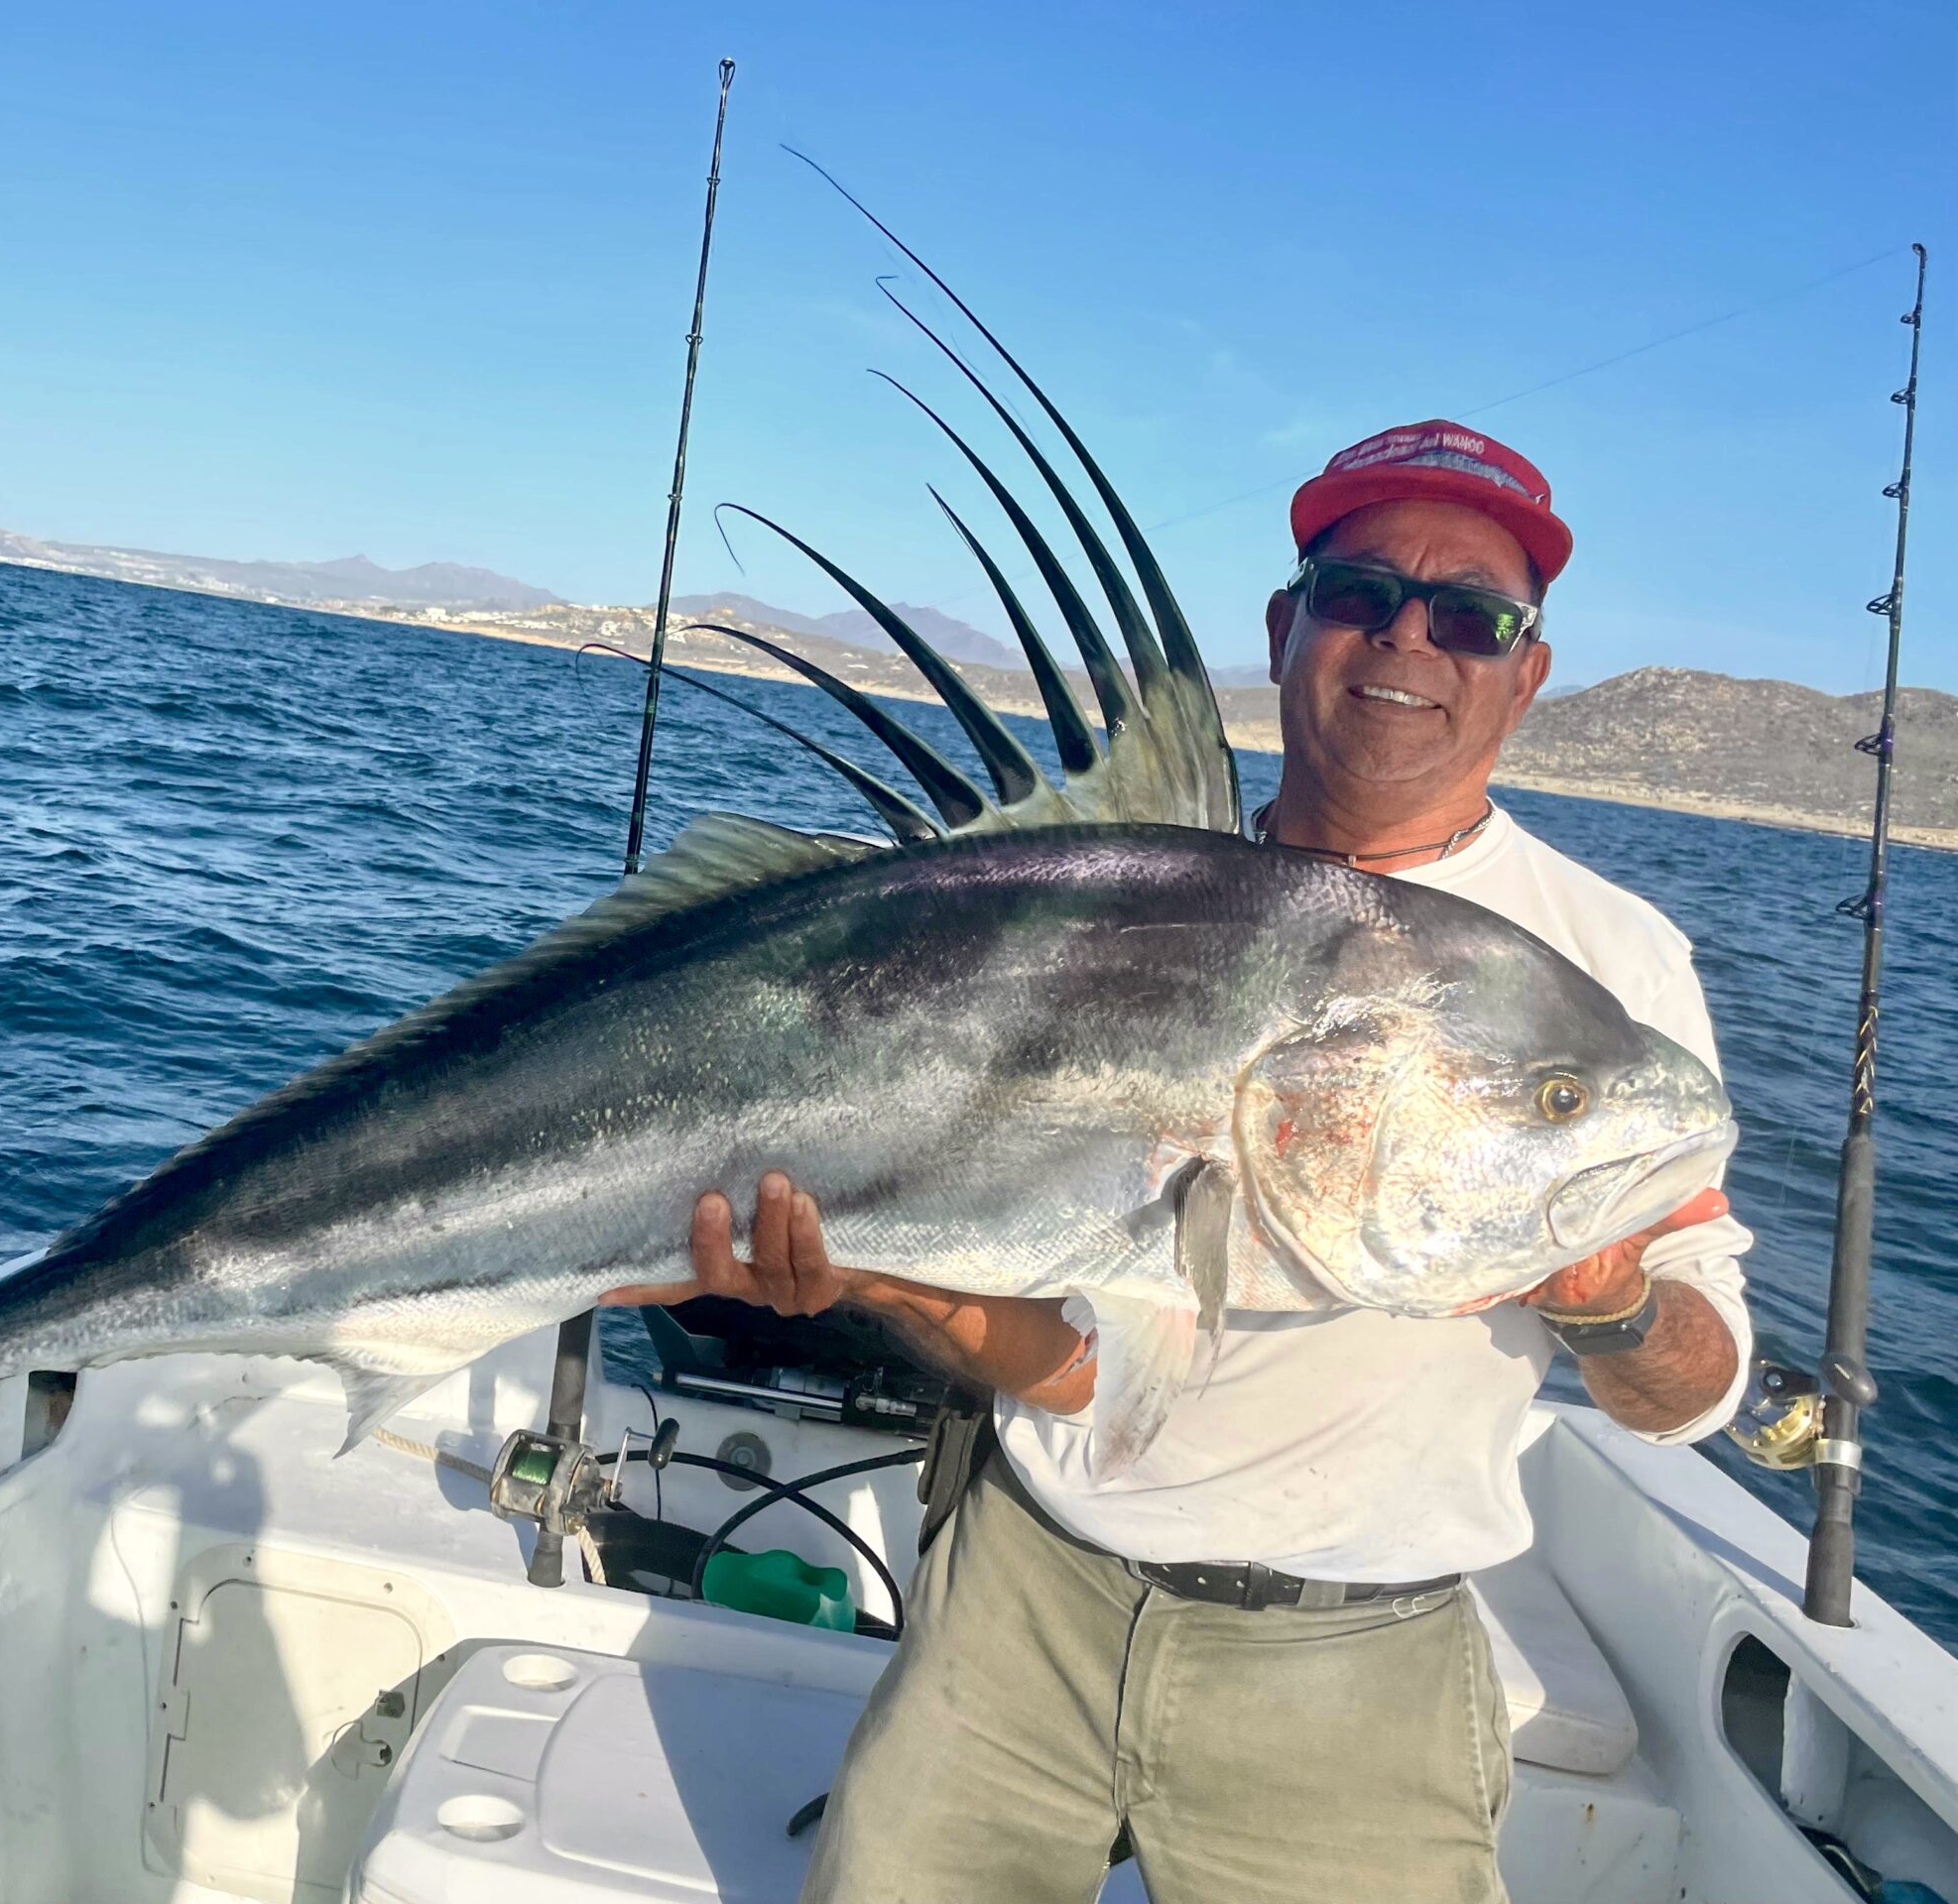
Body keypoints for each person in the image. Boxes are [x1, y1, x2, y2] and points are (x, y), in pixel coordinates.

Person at [602, 421, 1754, 1903]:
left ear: (1525, 672)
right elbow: (1079, 1368)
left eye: (1473, 614)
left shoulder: (1613, 966)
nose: (1409, 635)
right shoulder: (1120, 872)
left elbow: (1700, 1387)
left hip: (1356, 1662)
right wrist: (886, 1279)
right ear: (1285, 630)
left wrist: (1607, 1304)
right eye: (1357, 593)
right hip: (1021, 1596)